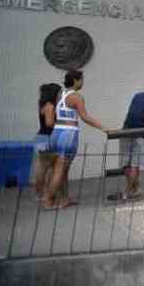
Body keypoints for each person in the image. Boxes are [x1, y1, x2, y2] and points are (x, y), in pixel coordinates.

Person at [43, 70, 108, 209]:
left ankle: (65, 198)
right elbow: (85, 117)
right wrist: (103, 128)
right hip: (69, 134)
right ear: (76, 80)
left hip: (56, 132)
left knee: (61, 169)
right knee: (59, 170)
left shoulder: (60, 94)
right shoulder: (77, 97)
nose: (83, 82)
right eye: (82, 79)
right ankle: (48, 200)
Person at [34, 83, 62, 199]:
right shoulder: (50, 106)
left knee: (43, 166)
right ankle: (44, 193)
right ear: (54, 94)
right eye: (59, 92)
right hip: (48, 138)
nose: (61, 95)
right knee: (47, 167)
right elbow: (49, 123)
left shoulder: (44, 104)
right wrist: (62, 124)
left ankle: (42, 193)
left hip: (42, 137)